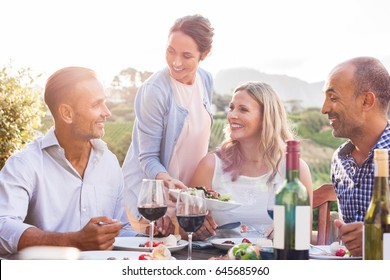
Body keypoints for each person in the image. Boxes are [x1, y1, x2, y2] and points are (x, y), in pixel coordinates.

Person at [0, 66, 135, 256]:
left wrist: (156, 238)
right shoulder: (24, 164)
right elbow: (2, 226)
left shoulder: (109, 163)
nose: (107, 112)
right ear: (67, 114)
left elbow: (122, 231)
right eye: (96, 105)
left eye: (104, 103)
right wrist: (73, 241)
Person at [122, 14, 215, 237]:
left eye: (187, 55)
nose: (176, 62)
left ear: (204, 55)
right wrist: (167, 185)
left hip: (181, 198)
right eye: (170, 51)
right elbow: (148, 158)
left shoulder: (206, 80)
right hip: (150, 200)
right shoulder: (156, 90)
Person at [189, 81, 313, 240]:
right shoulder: (210, 165)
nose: (232, 115)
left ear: (266, 117)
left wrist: (290, 231)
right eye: (231, 108)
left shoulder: (295, 170)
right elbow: (186, 230)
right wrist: (198, 228)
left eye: (243, 109)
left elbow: (304, 235)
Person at [321, 56, 390, 257]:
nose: (324, 108)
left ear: (366, 101)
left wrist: (380, 239)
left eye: (333, 98)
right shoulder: (340, 160)